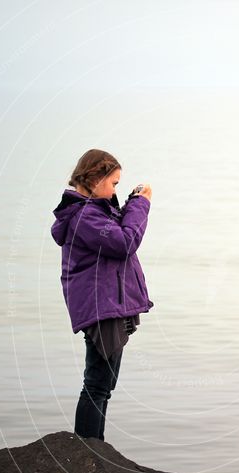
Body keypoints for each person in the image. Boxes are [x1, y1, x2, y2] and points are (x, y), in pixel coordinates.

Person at [50, 149, 154, 440]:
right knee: (97, 386)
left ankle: (95, 451)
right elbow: (123, 242)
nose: (113, 192)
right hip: (101, 306)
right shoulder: (84, 216)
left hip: (107, 305)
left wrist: (130, 202)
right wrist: (141, 205)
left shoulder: (92, 210)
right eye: (113, 183)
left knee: (101, 385)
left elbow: (117, 231)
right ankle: (88, 452)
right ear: (94, 177)